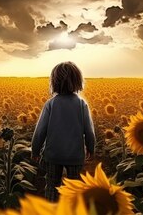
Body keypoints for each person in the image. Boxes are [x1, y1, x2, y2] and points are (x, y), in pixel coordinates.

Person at [31, 61, 96, 202]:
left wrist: (35, 150)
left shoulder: (51, 104)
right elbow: (89, 130)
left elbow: (40, 130)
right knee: (74, 186)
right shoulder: (81, 104)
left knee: (52, 186)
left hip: (53, 154)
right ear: (78, 81)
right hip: (75, 155)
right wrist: (91, 147)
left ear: (54, 82)